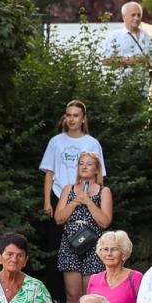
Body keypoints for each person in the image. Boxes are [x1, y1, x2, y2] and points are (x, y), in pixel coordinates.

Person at [53, 151, 113, 303]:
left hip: (93, 245)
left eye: (89, 164)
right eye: (81, 163)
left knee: (90, 296)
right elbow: (58, 219)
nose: (84, 167)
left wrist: (88, 202)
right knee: (72, 294)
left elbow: (105, 221)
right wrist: (74, 202)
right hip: (70, 244)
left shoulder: (103, 191)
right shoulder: (68, 189)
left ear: (96, 169)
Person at [39, 99, 106, 231]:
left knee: (82, 238)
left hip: (85, 197)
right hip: (58, 196)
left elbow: (100, 175)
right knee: (55, 239)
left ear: (83, 119)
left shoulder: (92, 143)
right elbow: (49, 173)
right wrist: (47, 201)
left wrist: (98, 201)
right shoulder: (55, 142)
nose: (71, 119)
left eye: (76, 115)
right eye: (68, 115)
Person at [86, 230, 139, 303]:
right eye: (105, 249)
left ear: (124, 254)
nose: (109, 253)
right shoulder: (94, 279)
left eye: (114, 249)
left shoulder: (135, 278)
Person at [101, 0, 152, 71]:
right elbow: (104, 60)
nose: (136, 18)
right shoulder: (114, 36)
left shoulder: (147, 38)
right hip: (121, 81)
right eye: (133, 15)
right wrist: (129, 60)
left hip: (142, 81)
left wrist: (144, 61)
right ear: (124, 17)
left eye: (139, 15)